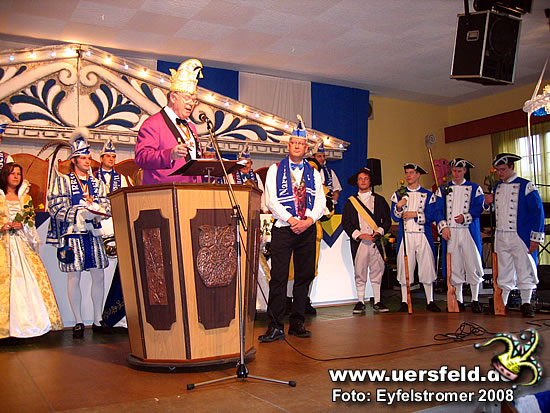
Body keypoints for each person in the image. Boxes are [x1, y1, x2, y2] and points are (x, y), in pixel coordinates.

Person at [258, 116, 326, 342]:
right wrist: (291, 220)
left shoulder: (313, 172)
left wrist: (309, 220)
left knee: (303, 277)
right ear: (288, 146)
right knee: (278, 277)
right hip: (284, 229)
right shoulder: (275, 169)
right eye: (294, 143)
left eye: (301, 144)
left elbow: (321, 202)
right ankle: (275, 325)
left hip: (307, 229)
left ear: (306, 148)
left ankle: (298, 323)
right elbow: (272, 201)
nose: (297, 146)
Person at [47, 128, 111, 338]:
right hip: (73, 233)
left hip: (93, 234)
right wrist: (79, 212)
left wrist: (97, 211)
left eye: (89, 158)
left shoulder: (98, 183)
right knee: (73, 277)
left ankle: (98, 319)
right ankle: (78, 321)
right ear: (74, 160)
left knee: (99, 275)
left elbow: (107, 206)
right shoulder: (63, 181)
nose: (87, 161)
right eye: (83, 158)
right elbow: (55, 207)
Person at [0, 163, 63, 338]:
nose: (16, 177)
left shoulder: (26, 198)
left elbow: (30, 221)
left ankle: (31, 324)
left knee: (29, 281)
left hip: (22, 242)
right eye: (12, 173)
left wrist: (22, 225)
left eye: (18, 174)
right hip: (3, 244)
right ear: (5, 176)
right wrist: (2, 226)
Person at [483, 153, 545, 317]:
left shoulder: (526, 186)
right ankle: (502, 303)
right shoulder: (497, 187)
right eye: (497, 170)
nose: (500, 173)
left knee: (525, 268)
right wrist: (487, 202)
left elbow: (538, 212)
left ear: (511, 167)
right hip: (502, 236)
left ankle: (526, 302)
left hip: (520, 235)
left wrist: (535, 238)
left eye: (503, 169)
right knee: (504, 269)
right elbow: (497, 210)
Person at [135, 59, 204, 184]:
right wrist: (169, 155)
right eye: (187, 98)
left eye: (194, 100)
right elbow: (141, 158)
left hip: (192, 191)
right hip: (163, 192)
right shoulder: (153, 124)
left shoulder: (191, 127)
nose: (191, 103)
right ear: (173, 97)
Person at [436, 158, 484, 313]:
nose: (456, 174)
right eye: (454, 171)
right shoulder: (443, 189)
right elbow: (437, 210)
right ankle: (459, 300)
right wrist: (443, 227)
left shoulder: (475, 188)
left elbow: (479, 207)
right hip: (451, 233)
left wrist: (466, 216)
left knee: (473, 263)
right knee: (455, 266)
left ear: (464, 171)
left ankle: (475, 299)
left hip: (468, 231)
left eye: (459, 171)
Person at [391, 163, 441, 312]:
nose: (408, 175)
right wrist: (399, 206)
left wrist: (415, 214)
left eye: (411, 173)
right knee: (404, 267)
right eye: (407, 173)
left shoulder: (428, 195)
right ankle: (404, 300)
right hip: (406, 236)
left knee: (427, 266)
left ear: (418, 175)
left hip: (423, 235)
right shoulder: (398, 194)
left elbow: (432, 215)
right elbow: (395, 217)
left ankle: (430, 300)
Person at [343, 167, 392, 314]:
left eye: (366, 179)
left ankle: (377, 301)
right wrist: (359, 235)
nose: (363, 181)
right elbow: (346, 223)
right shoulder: (351, 202)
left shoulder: (380, 200)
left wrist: (379, 232)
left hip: (376, 242)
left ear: (370, 181)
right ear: (357, 182)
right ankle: (360, 301)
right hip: (360, 243)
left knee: (377, 271)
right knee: (360, 272)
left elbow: (387, 220)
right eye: (360, 179)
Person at [94, 139, 129, 328]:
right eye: (108, 156)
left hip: (117, 223)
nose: (111, 159)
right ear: (101, 158)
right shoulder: (93, 177)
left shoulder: (121, 178)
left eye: (114, 156)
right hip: (100, 223)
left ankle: (118, 315)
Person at [228, 144, 267, 212]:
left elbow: (262, 194)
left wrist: (264, 209)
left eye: (247, 163)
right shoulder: (231, 176)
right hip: (237, 209)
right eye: (243, 163)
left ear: (251, 164)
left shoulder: (256, 176)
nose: (245, 166)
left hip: (253, 210)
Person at [313, 142, 342, 207]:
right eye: (319, 156)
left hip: (327, 205)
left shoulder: (330, 172)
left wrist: (334, 198)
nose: (322, 159)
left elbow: (336, 189)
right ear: (313, 157)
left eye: (324, 156)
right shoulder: (308, 172)